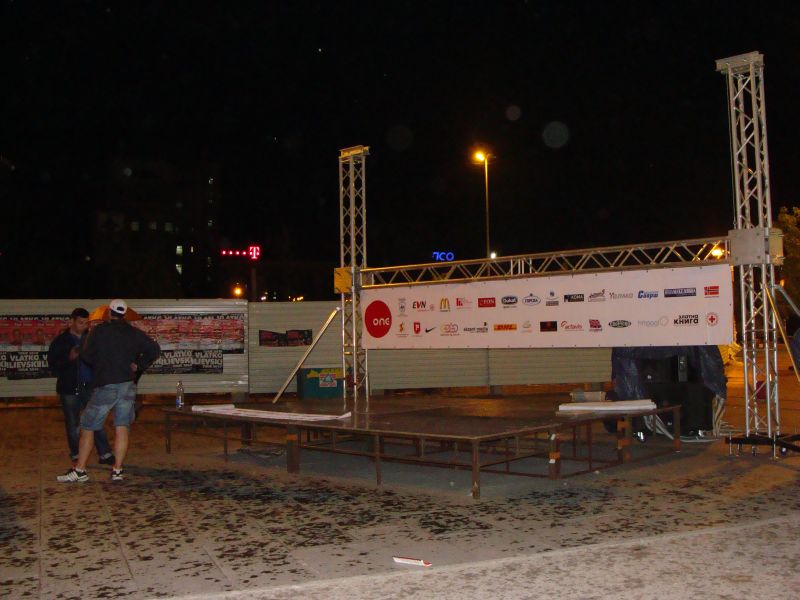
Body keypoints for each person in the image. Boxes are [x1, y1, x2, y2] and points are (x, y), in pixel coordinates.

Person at [57, 299, 160, 483]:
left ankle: (80, 470)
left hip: (106, 384)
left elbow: (86, 355)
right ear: (124, 314)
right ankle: (117, 470)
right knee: (122, 427)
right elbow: (154, 349)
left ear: (109, 312)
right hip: (127, 385)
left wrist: (101, 363)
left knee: (88, 427)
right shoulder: (133, 332)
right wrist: (139, 365)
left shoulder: (99, 331)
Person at [47, 308, 114, 465]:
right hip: (69, 387)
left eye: (86, 323)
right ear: (72, 321)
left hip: (90, 385)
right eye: (80, 322)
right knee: (73, 423)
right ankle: (76, 454)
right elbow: (53, 366)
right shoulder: (61, 341)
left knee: (96, 420)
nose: (84, 326)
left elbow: (101, 359)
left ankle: (105, 453)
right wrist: (69, 358)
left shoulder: (91, 338)